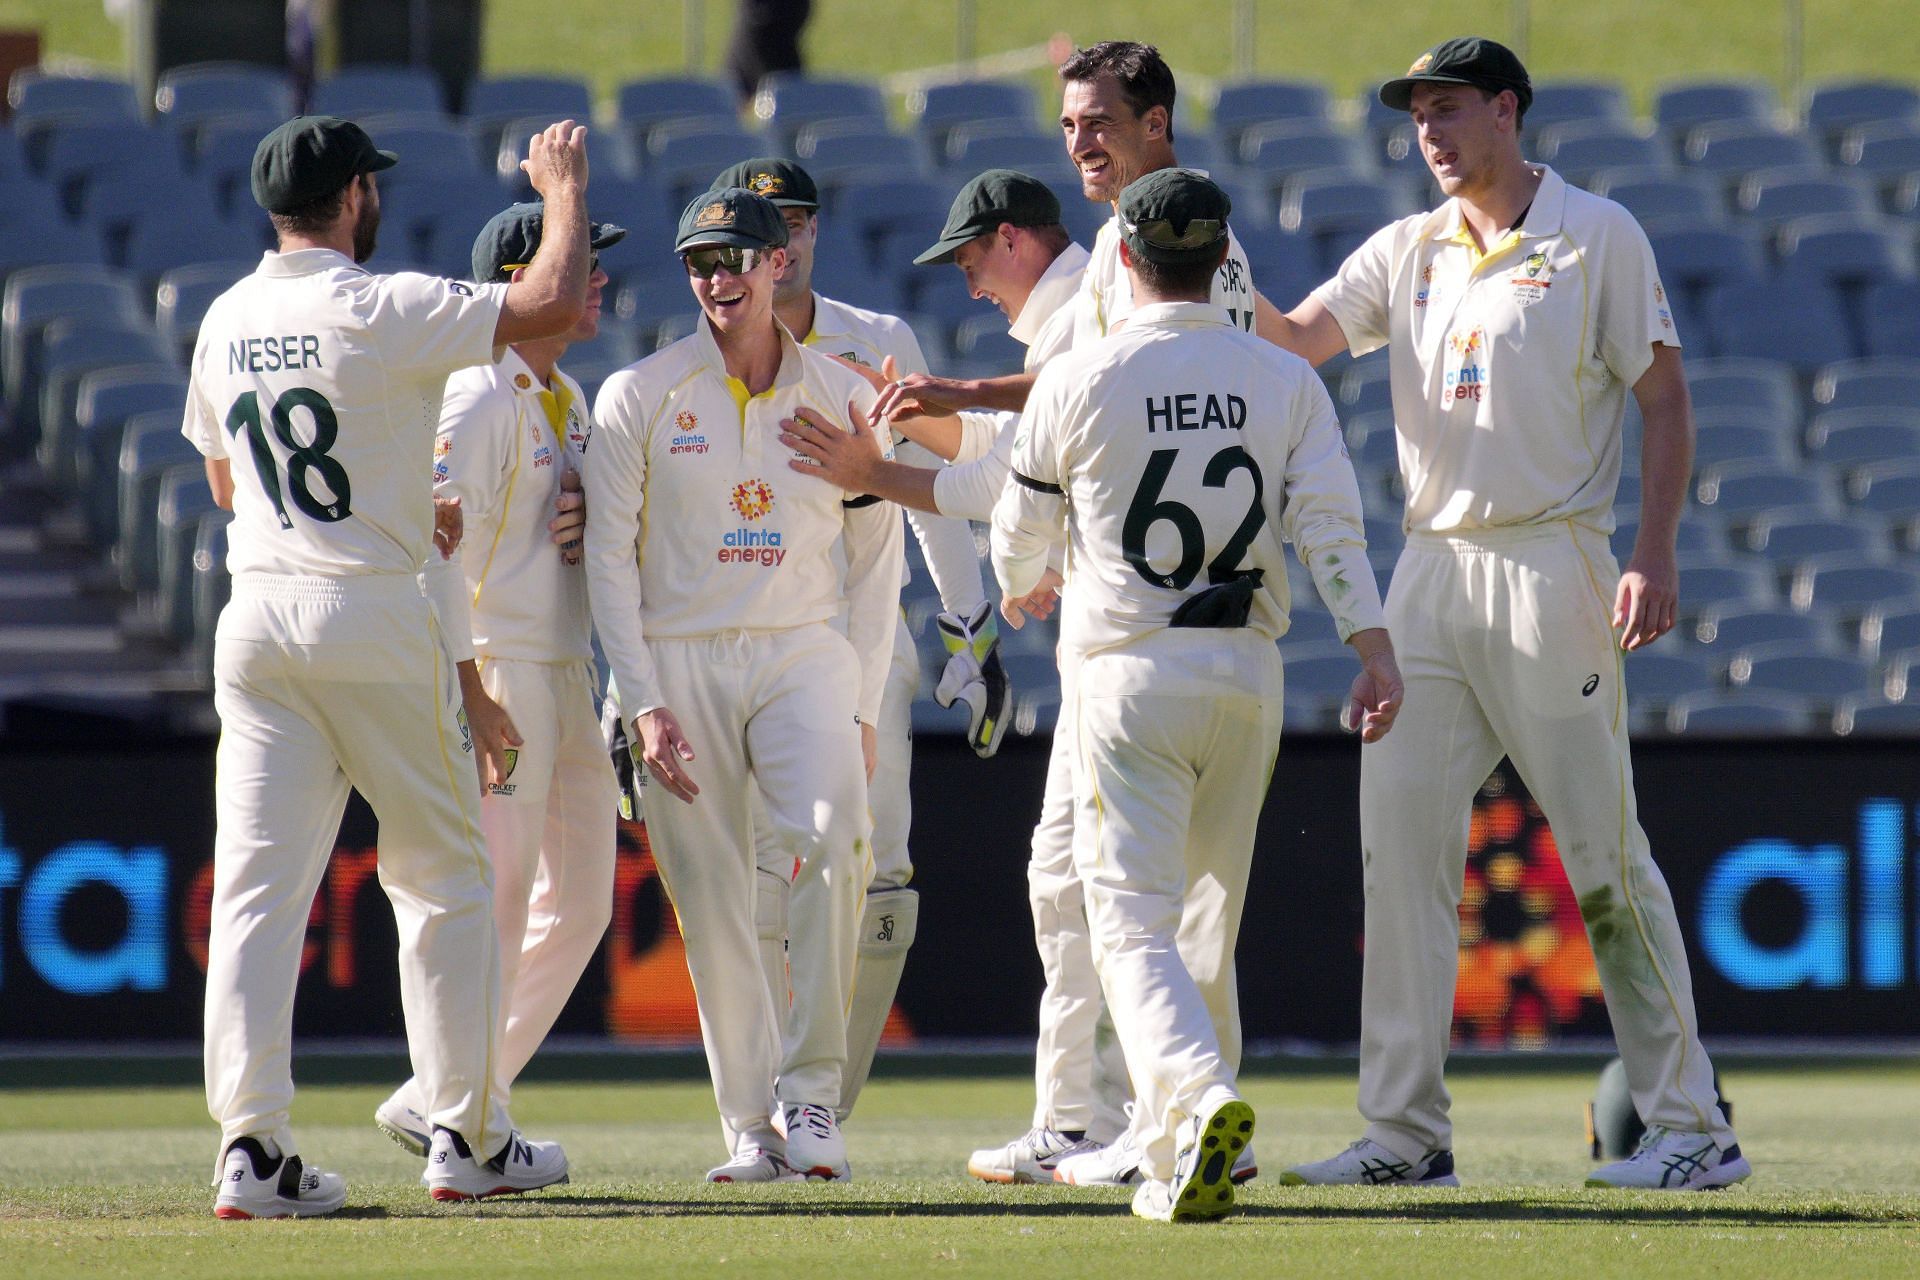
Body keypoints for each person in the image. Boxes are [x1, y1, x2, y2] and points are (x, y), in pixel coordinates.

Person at [1261, 36, 1749, 1191]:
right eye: (1417, 116)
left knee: (1601, 860)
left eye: (1450, 110)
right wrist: (1204, 250)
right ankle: (1404, 1133)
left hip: (1553, 561)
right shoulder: (1407, 249)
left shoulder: (1597, 233)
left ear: (1508, 110)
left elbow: (1666, 397)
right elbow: (1294, 343)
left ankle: (1691, 1126)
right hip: (1428, 571)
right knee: (1404, 853)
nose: (1430, 133)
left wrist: (1653, 547)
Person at [185, 115, 590, 1217]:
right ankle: (467, 1131)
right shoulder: (380, 302)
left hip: (260, 613)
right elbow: (551, 304)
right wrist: (560, 190)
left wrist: (398, 497)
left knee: (259, 894)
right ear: (355, 193)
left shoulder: (224, 317)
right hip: (370, 612)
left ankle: (251, 1148)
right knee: (442, 876)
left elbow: (230, 483)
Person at [990, 168, 1401, 1221]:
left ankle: (1201, 1092)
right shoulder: (1285, 380)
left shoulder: (1080, 376)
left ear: (1122, 258)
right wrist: (1374, 647)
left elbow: (1016, 543)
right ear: (1225, 261)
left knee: (1128, 921)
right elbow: (1332, 533)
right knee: (1207, 921)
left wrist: (1026, 580)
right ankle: (1180, 1150)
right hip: (1247, 675)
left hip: (1127, 671)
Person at [781, 169, 1116, 1184]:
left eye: (974, 261)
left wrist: (970, 608)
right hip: (746, 641)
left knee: (1071, 884)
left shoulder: (1063, 317)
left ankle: (1133, 1114)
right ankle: (1091, 1116)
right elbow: (1005, 455)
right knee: (1067, 883)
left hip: (905, 639)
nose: (972, 285)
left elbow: (990, 474)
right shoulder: (680, 365)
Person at [583, 187, 904, 1183]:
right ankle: (749, 1126)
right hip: (677, 659)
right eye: (700, 263)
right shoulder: (641, 393)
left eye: (737, 259)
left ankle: (811, 1098)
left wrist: (860, 707)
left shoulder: (843, 392)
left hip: (803, 648)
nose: (719, 279)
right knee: (716, 894)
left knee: (833, 835)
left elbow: (877, 555)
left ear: (778, 265)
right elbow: (607, 560)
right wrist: (640, 697)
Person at [707, 157, 991, 1127]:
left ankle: (828, 1102)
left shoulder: (879, 339)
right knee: (765, 879)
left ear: (814, 232)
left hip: (863, 629)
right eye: (759, 227)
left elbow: (933, 496)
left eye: (793, 223)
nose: (777, 245)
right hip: (747, 640)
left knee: (881, 873)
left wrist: (969, 619)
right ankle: (768, 1103)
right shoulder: (700, 351)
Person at [371, 202, 628, 1159]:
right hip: (501, 671)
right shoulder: (477, 393)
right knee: (504, 891)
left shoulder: (567, 397)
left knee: (584, 905)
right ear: (525, 276)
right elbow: (437, 550)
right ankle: (463, 1119)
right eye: (583, 262)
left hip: (562, 668)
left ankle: (440, 1096)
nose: (596, 278)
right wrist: (470, 689)